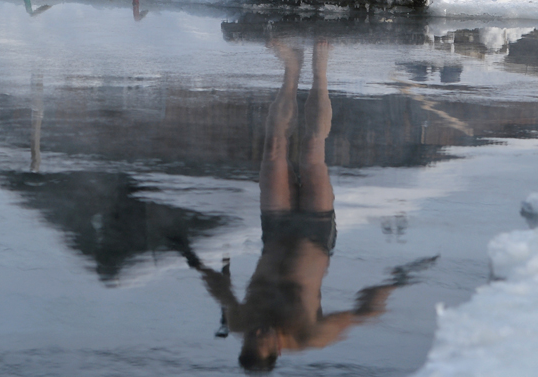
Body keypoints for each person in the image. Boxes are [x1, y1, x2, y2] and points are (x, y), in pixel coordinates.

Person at [180, 38, 420, 371]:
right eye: (263, 338)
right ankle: (320, 68)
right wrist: (394, 284)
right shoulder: (309, 335)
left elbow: (221, 290)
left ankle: (292, 68)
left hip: (276, 229)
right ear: (276, 350)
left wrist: (194, 262)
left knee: (275, 148)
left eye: (252, 336)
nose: (257, 330)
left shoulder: (240, 322)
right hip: (315, 234)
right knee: (311, 151)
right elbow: (360, 314)